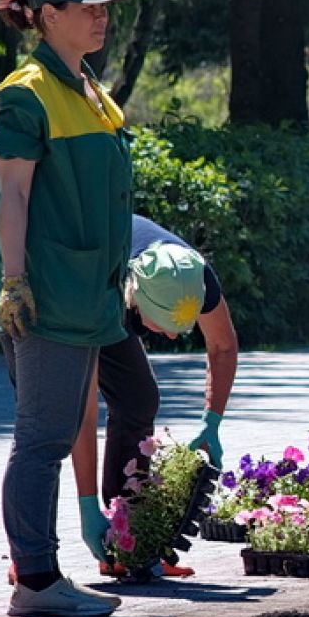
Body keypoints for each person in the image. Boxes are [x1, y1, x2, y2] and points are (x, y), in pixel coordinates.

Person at [0, 0, 134, 617]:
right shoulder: (26, 93)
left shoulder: (88, 89)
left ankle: (43, 574)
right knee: (42, 438)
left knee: (52, 432)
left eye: (104, 6)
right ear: (49, 17)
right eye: (89, 7)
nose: (101, 16)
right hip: (47, 294)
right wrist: (14, 284)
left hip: (86, 293)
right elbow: (10, 197)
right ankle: (37, 582)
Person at [70, 215, 240, 578]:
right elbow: (80, 414)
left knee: (137, 401)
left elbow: (223, 346)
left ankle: (127, 544)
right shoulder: (103, 298)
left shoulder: (194, 276)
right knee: (45, 425)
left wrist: (212, 423)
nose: (176, 338)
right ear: (136, 300)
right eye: (165, 326)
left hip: (116, 289)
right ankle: (31, 558)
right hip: (59, 293)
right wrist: (87, 509)